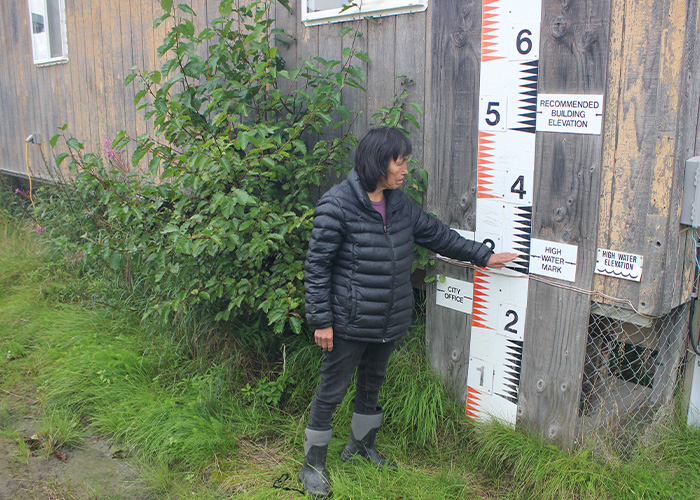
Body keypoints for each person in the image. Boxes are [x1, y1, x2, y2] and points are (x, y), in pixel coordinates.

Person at [300, 127, 517, 498]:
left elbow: (437, 234)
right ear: (377, 161)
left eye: (405, 162)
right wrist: (322, 321)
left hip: (388, 319)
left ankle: (361, 447)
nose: (404, 170)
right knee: (331, 392)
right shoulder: (336, 205)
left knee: (372, 387)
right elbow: (317, 267)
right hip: (349, 322)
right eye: (399, 162)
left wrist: (484, 256)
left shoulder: (398, 203)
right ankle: (312, 467)